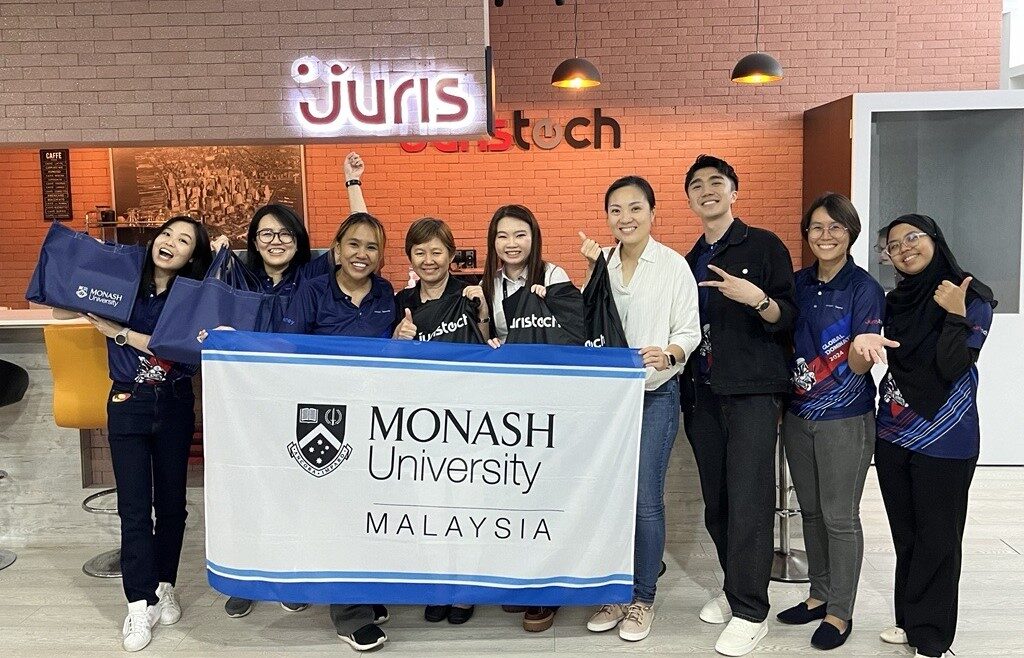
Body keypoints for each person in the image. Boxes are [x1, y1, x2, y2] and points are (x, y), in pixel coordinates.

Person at [211, 152, 366, 619]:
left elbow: (358, 232)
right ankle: (250, 574)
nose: (275, 241)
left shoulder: (316, 275)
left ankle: (294, 570)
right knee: (252, 486)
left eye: (284, 233)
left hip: (302, 403)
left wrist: (352, 183)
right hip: (250, 405)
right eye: (265, 234)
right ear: (254, 242)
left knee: (298, 490)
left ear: (298, 240)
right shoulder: (238, 277)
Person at [65, 216, 212, 652]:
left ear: (191, 256)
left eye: (184, 240)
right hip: (127, 402)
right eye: (167, 233)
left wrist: (123, 334)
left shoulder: (192, 298)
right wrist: (78, 284)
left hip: (175, 402)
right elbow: (60, 305)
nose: (171, 242)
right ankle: (137, 603)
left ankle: (165, 584)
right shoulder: (124, 283)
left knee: (171, 505)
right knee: (133, 509)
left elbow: (181, 350)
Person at [679, 155, 797, 657]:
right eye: (697, 186)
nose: (707, 191)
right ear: (688, 200)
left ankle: (752, 612)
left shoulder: (765, 245)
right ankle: (735, 589)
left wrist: (758, 300)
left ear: (734, 191)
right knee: (719, 502)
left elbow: (790, 316)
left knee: (749, 500)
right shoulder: (686, 261)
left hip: (751, 393)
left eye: (716, 183)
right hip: (702, 393)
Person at [865, 214, 996, 658]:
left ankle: (933, 635)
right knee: (907, 534)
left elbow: (953, 365)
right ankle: (909, 618)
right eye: (894, 245)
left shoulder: (972, 295)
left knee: (939, 537)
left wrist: (956, 316)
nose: (904, 249)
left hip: (947, 437)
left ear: (935, 240)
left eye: (913, 238)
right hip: (894, 432)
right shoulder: (895, 301)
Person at [581, 176, 700, 641]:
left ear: (653, 212)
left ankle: (642, 599)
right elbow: (588, 322)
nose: (625, 218)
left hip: (654, 395)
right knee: (611, 500)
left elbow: (689, 330)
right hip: (608, 403)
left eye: (634, 208)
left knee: (645, 500)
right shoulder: (602, 264)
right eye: (615, 210)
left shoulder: (672, 266)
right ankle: (615, 592)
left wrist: (670, 352)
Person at [278, 211, 396, 651]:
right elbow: (289, 353)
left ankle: (362, 592)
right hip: (327, 418)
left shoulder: (386, 293)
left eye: (371, 247)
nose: (361, 254)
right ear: (338, 248)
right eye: (353, 244)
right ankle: (349, 614)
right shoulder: (311, 291)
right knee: (339, 510)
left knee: (368, 508)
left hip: (374, 417)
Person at [775, 193, 885, 650]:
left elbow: (863, 361)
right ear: (806, 234)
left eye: (835, 227)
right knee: (813, 513)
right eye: (817, 227)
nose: (825, 235)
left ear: (850, 234)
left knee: (840, 517)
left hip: (846, 418)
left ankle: (841, 611)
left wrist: (862, 350)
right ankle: (819, 594)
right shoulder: (797, 284)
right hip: (799, 416)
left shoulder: (864, 289)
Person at [390, 216, 490, 624]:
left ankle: (465, 589)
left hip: (468, 417)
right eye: (420, 252)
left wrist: (481, 309)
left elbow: (490, 343)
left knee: (466, 503)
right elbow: (391, 362)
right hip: (422, 421)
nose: (429, 260)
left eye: (436, 251)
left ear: (452, 255)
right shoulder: (402, 300)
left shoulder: (471, 293)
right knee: (430, 506)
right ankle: (437, 584)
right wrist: (398, 341)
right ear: (410, 257)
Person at [480, 203, 569, 632]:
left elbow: (572, 333)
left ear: (534, 237)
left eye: (519, 235)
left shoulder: (554, 277)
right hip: (510, 402)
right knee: (515, 493)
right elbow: (493, 335)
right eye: (502, 236)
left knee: (545, 494)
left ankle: (547, 591)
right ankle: (522, 580)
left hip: (550, 400)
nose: (511, 244)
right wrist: (491, 339)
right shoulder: (489, 284)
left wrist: (546, 309)